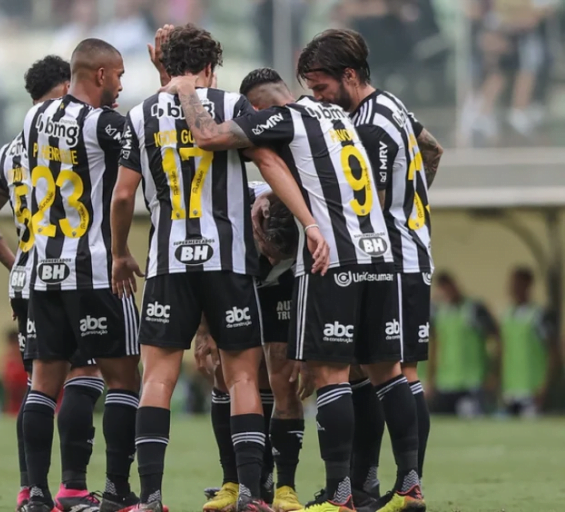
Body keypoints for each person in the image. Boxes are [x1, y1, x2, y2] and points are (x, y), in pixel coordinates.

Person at [163, 60, 426, 511]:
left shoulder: (284, 118)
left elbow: (208, 137)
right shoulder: (343, 117)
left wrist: (186, 89)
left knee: (329, 376)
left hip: (332, 256)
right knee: (388, 372)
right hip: (382, 251)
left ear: (259, 111)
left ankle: (340, 497)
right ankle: (409, 487)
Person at [111, 24, 326, 512]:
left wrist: (120, 250)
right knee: (245, 377)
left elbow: (123, 195)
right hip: (228, 262)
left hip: (168, 263)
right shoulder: (231, 106)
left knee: (157, 379)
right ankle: (251, 494)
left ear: (165, 66)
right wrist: (309, 221)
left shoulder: (139, 114)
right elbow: (270, 164)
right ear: (210, 68)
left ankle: (151, 498)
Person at [297, 28, 444, 509]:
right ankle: (379, 484)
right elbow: (433, 149)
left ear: (350, 75)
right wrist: (416, 202)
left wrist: (401, 214)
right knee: (376, 367)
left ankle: (406, 484)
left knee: (394, 369)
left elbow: (372, 204)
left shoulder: (371, 125)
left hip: (393, 258)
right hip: (407, 250)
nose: (319, 99)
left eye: (321, 88)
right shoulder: (394, 106)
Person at [0, 55, 106, 512]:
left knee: (38, 386)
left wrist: (15, 263)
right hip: (74, 271)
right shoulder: (78, 135)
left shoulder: (11, 149)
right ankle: (73, 485)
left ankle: (31, 491)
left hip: (29, 276)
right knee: (85, 373)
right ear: (67, 85)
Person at [19, 40, 142, 512]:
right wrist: (120, 251)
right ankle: (116, 490)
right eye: (119, 75)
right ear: (100, 75)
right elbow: (125, 193)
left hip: (44, 272)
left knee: (43, 386)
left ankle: (35, 493)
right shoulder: (107, 124)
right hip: (93, 270)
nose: (122, 84)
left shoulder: (33, 119)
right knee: (124, 380)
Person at [198, 181, 305, 512]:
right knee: (224, 371)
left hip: (288, 286)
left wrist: (306, 344)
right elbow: (204, 263)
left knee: (283, 377)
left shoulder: (309, 216)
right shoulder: (227, 211)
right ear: (258, 222)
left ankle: (285, 487)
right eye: (270, 247)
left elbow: (319, 279)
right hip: (236, 275)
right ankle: (233, 482)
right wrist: (204, 329)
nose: (274, 257)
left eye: (281, 252)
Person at [428, 272, 499, 417]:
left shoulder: (474, 309)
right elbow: (435, 346)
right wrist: (432, 378)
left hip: (472, 380)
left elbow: (495, 338)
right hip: (446, 381)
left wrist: (492, 372)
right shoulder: (439, 312)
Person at [500, 267, 559, 417]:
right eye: (513, 284)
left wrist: (545, 385)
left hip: (533, 387)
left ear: (528, 286)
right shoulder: (507, 315)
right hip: (511, 387)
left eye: (519, 284)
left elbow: (552, 351)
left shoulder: (538, 315)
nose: (515, 288)